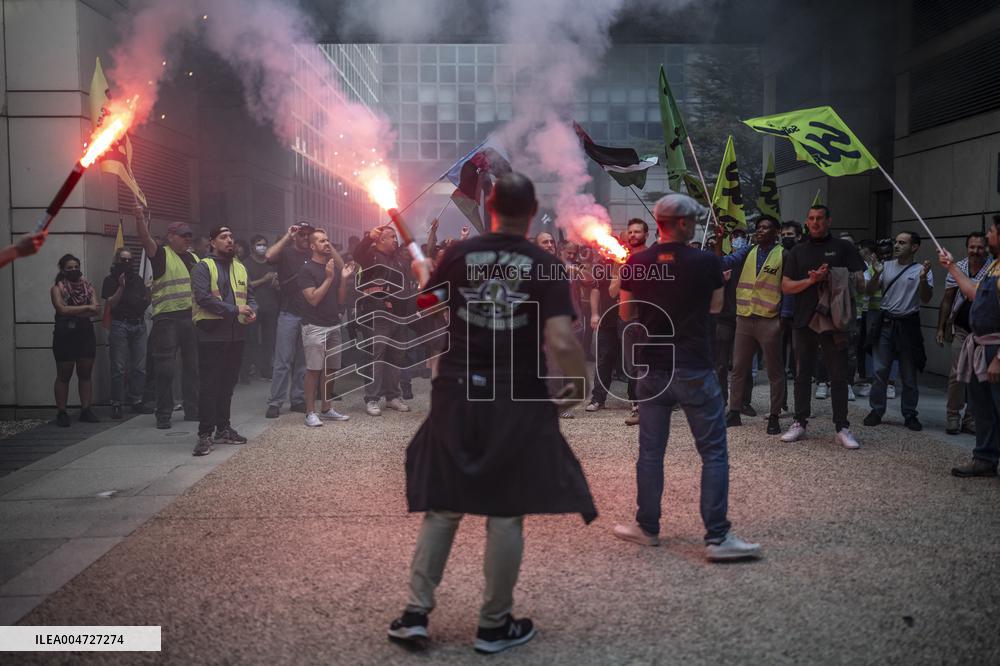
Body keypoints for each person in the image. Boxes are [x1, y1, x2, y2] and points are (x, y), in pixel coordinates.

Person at [387, 172, 596, 654]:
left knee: (444, 505)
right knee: (505, 513)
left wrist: (429, 278)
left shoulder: (459, 255)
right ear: (532, 210)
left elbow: (428, 304)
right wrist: (579, 384)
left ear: (490, 206)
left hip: (457, 389)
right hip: (516, 394)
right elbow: (563, 340)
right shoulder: (543, 262)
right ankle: (493, 625)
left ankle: (416, 615)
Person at [611, 193, 761, 561]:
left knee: (650, 452)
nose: (695, 223)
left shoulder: (637, 262)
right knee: (712, 452)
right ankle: (717, 537)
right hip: (693, 363)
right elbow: (714, 308)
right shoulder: (705, 262)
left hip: (651, 368)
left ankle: (647, 527)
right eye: (691, 219)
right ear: (680, 223)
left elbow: (627, 313)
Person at [780, 205, 866, 449]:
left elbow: (861, 282)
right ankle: (799, 422)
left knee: (838, 375)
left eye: (819, 218)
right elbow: (786, 287)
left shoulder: (843, 247)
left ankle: (842, 427)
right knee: (802, 374)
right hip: (803, 319)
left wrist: (838, 277)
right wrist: (812, 280)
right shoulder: (798, 251)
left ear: (829, 220)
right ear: (806, 222)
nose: (815, 222)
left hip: (834, 320)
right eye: (811, 218)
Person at [940, 217, 1000, 477]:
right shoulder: (994, 266)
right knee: (983, 407)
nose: (987, 236)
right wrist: (952, 267)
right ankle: (984, 459)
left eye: (992, 231)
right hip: (979, 348)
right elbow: (974, 292)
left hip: (995, 350)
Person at [190, 226, 256, 456]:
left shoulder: (240, 267)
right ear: (212, 242)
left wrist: (252, 310)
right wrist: (235, 308)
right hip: (211, 334)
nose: (229, 241)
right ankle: (204, 434)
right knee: (209, 385)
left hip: (236, 334)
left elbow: (251, 297)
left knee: (227, 385)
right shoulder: (203, 266)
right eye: (223, 237)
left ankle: (223, 428)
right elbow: (203, 298)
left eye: (231, 237)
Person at [135, 206, 199, 429]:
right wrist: (140, 219)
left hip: (190, 317)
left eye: (189, 236)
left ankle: (193, 409)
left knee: (193, 366)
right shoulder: (161, 253)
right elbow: (145, 239)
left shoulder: (193, 257)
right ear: (170, 237)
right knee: (166, 368)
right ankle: (163, 414)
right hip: (167, 319)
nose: (187, 240)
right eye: (183, 236)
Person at [863, 231, 933, 431]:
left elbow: (926, 298)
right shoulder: (884, 266)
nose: (897, 245)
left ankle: (910, 413)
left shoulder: (922, 269)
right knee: (879, 371)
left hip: (908, 325)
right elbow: (868, 291)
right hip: (885, 323)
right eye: (896, 242)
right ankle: (876, 410)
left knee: (909, 375)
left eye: (902, 243)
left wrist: (922, 280)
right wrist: (876, 273)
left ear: (914, 247)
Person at [725, 216, 786, 435]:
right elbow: (724, 262)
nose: (760, 231)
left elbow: (786, 288)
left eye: (766, 228)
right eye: (758, 228)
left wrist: (783, 318)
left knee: (774, 371)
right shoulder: (748, 252)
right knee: (739, 368)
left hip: (770, 319)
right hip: (744, 318)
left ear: (776, 231)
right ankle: (733, 412)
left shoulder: (783, 254)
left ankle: (775, 416)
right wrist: (718, 240)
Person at [298, 229, 354, 427]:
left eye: (328, 240)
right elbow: (312, 299)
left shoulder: (333, 267)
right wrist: (329, 278)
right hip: (314, 325)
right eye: (321, 241)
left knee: (330, 370)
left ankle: (327, 408)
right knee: (313, 370)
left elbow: (340, 300)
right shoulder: (307, 270)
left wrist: (344, 278)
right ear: (312, 246)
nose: (326, 243)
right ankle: (309, 412)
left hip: (333, 324)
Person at [354, 225, 411, 416]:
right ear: (381, 240)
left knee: (396, 357)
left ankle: (393, 397)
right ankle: (372, 399)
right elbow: (357, 253)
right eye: (391, 237)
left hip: (399, 314)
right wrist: (369, 237)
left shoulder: (398, 258)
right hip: (377, 314)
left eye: (396, 236)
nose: (395, 240)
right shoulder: (371, 256)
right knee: (376, 356)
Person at [937, 232, 989, 434]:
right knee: (957, 374)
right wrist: (941, 327)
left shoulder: (993, 269)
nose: (975, 251)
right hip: (960, 330)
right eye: (972, 247)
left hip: (984, 333)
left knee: (978, 376)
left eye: (979, 247)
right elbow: (948, 299)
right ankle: (952, 415)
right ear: (966, 247)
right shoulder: (958, 268)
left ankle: (971, 418)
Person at [264, 223, 314, 418]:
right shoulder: (285, 252)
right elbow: (269, 256)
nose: (304, 237)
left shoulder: (313, 254)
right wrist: (287, 235)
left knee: (303, 361)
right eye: (301, 234)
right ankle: (275, 401)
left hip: (309, 313)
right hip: (288, 312)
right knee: (282, 360)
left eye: (308, 234)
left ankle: (298, 399)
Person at [50, 254, 101, 427]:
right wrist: (85, 308)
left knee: (85, 373)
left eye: (76, 267)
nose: (73, 270)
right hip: (65, 334)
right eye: (69, 268)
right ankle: (62, 412)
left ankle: (86, 409)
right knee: (64, 374)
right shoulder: (58, 288)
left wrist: (76, 310)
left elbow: (96, 310)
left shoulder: (88, 287)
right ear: (63, 270)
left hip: (85, 333)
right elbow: (62, 309)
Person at [609, 218, 650, 426]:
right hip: (626, 320)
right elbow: (612, 291)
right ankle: (637, 407)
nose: (633, 235)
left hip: (649, 319)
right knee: (632, 366)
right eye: (630, 232)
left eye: (637, 232)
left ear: (646, 234)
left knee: (649, 364)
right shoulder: (621, 259)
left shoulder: (653, 257)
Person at [101, 247, 151, 419]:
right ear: (117, 261)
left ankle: (136, 400)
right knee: (119, 368)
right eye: (124, 260)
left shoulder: (137, 279)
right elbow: (111, 304)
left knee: (139, 367)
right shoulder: (110, 280)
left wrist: (148, 292)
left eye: (130, 260)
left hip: (138, 324)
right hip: (120, 324)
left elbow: (145, 301)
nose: (127, 263)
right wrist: (121, 287)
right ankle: (117, 402)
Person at [244, 234, 279, 382]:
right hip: (253, 307)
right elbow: (245, 285)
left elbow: (278, 281)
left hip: (270, 306)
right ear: (252, 246)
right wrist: (264, 279)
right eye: (259, 244)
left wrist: (276, 283)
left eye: (264, 244)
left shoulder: (271, 263)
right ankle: (247, 371)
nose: (262, 247)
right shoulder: (246, 264)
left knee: (269, 340)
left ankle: (266, 370)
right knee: (251, 340)